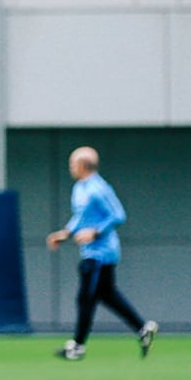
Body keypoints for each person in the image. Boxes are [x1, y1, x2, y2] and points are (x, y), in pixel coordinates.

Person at [46, 146, 157, 361]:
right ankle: (142, 329)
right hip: (90, 252)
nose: (70, 168)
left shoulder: (99, 188)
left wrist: (95, 232)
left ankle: (77, 346)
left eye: (72, 163)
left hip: (101, 253)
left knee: (86, 298)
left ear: (83, 165)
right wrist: (67, 233)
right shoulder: (80, 188)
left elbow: (118, 215)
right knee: (107, 295)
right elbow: (81, 217)